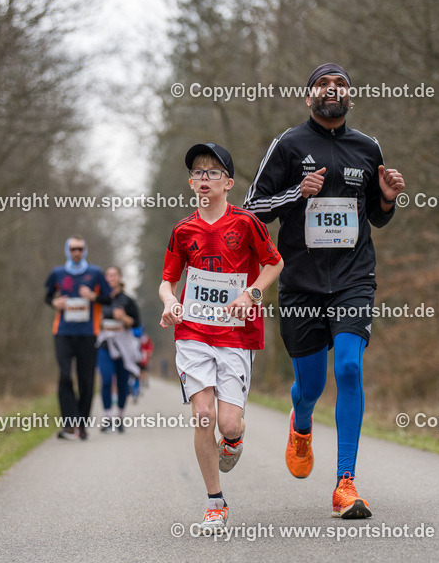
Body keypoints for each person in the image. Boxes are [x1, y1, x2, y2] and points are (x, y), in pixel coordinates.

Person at [243, 63, 405, 518]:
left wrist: (387, 197)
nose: (332, 90)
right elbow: (252, 209)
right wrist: (296, 193)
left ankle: (345, 483)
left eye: (340, 85)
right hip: (301, 285)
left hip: (354, 279)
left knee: (350, 368)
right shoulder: (288, 144)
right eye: (323, 84)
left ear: (350, 97)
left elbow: (377, 217)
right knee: (310, 385)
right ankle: (301, 423)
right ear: (309, 96)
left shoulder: (368, 147)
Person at [160, 142, 283, 534]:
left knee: (228, 424)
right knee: (203, 415)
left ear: (228, 183)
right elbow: (167, 281)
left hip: (235, 334)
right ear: (190, 182)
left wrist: (252, 294)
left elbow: (274, 263)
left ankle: (233, 439)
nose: (204, 179)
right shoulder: (183, 230)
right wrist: (170, 303)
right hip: (193, 332)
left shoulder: (246, 224)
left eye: (213, 172)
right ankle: (215, 503)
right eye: (197, 172)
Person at [45, 237, 110, 440]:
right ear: (67, 250)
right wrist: (55, 303)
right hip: (63, 332)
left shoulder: (95, 273)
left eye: (80, 249)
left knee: (86, 380)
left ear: (85, 250)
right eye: (73, 249)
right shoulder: (57, 273)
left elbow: (108, 298)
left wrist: (93, 297)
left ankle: (81, 424)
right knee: (65, 376)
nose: (76, 253)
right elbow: (48, 296)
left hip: (88, 333)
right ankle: (69, 423)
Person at [96, 265, 141, 433]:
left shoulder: (127, 300)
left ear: (119, 278)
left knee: (122, 382)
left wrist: (123, 317)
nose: (111, 278)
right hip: (105, 345)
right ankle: (108, 417)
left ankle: (120, 417)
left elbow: (136, 323)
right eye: (108, 275)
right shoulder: (100, 299)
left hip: (123, 346)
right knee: (106, 380)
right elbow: (93, 321)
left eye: (114, 275)